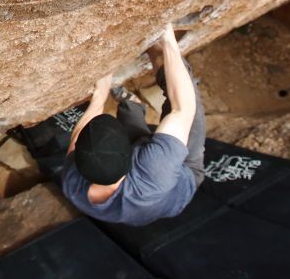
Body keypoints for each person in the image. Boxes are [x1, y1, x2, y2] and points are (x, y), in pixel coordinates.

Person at [60, 23, 206, 226]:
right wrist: (167, 39)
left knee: (134, 124)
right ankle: (155, 48)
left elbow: (77, 138)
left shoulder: (72, 182)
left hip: (137, 197)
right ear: (131, 152)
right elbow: (182, 108)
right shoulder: (153, 172)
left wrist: (99, 96)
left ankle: (131, 105)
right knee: (183, 89)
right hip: (180, 178)